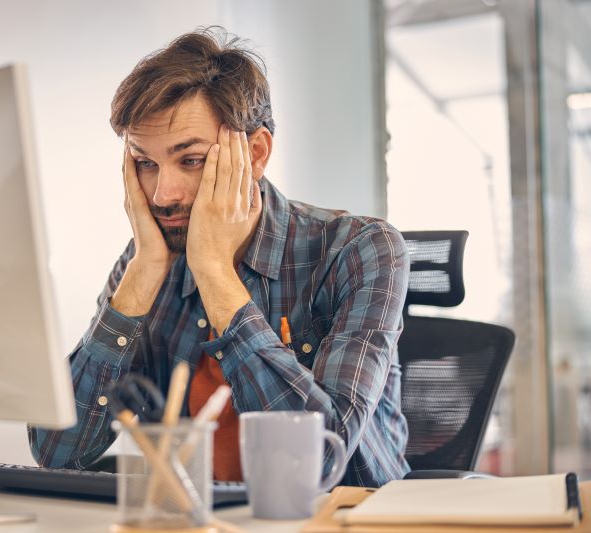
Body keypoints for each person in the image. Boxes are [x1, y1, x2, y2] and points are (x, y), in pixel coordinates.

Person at [29, 27, 410, 487]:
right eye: (145, 164)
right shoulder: (149, 260)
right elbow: (54, 450)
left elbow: (314, 468)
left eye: (189, 160)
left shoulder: (359, 249)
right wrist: (142, 274)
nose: (163, 194)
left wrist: (213, 270)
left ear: (255, 152)